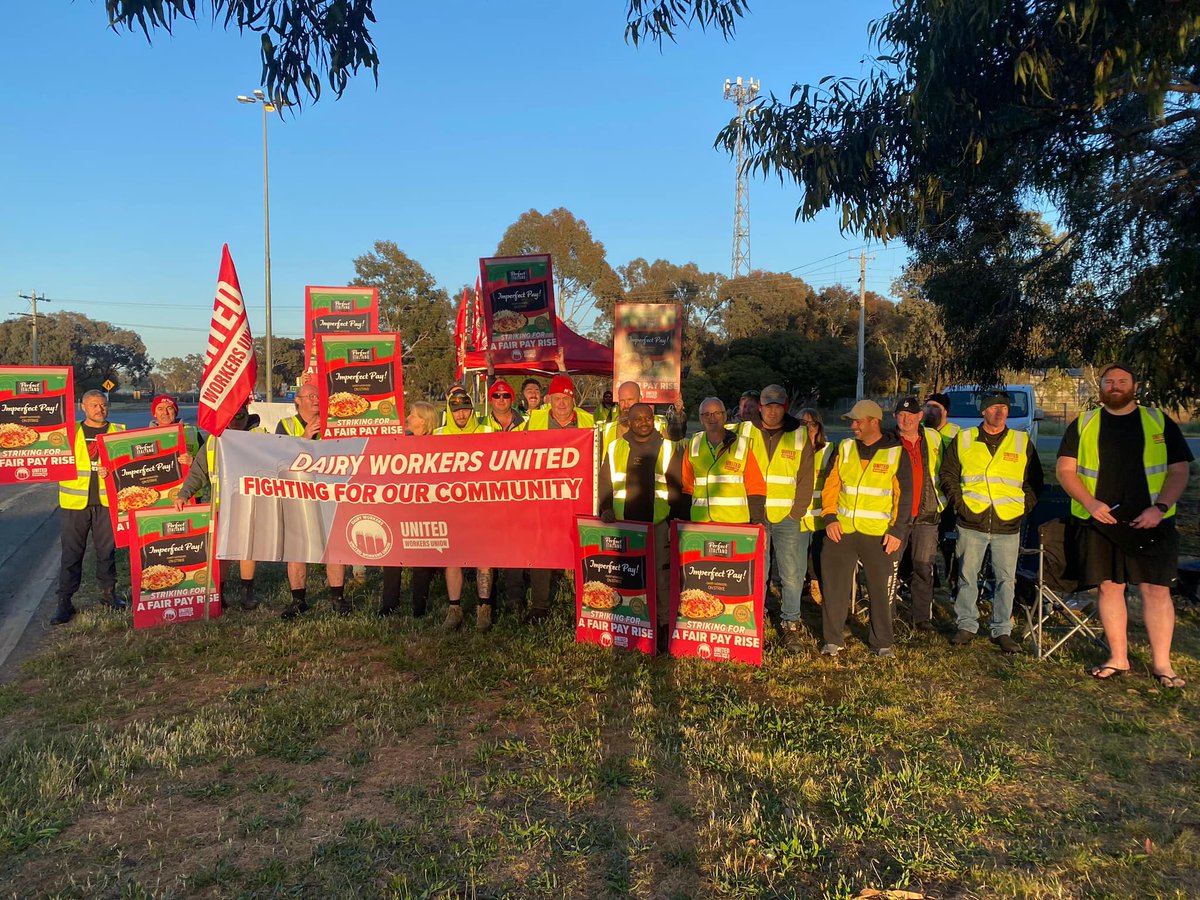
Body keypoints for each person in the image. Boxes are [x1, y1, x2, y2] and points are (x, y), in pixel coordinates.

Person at [1056, 364, 1192, 687]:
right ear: (1100, 387)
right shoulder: (1084, 423)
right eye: (1109, 381)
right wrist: (1090, 504)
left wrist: (1159, 509)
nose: (1115, 386)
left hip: (1151, 521)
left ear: (1135, 386)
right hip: (1100, 521)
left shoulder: (1158, 421)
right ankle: (1118, 657)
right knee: (1109, 587)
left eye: (1122, 381)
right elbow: (1065, 470)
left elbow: (1179, 471)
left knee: (1156, 591)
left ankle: (1163, 665)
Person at [940, 390, 1043, 653]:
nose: (1000, 412)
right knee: (967, 576)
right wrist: (959, 504)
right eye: (994, 407)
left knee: (1006, 580)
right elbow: (948, 474)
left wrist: (1023, 506)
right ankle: (966, 624)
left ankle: (1001, 629)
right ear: (983, 411)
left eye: (1004, 408)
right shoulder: (964, 439)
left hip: (1007, 523)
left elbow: (1035, 481)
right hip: (971, 520)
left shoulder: (1021, 442)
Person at [820, 399, 914, 658]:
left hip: (880, 535)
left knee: (881, 591)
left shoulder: (897, 452)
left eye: (857, 421)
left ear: (874, 422)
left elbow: (904, 496)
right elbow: (831, 486)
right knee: (834, 588)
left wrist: (897, 531)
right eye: (852, 421)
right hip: (842, 531)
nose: (853, 426)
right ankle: (832, 640)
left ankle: (882, 643)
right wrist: (830, 518)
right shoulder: (845, 448)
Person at [598, 402, 688, 651]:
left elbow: (678, 488)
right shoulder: (616, 447)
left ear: (653, 419)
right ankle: (632, 624)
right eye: (638, 419)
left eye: (648, 417)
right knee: (628, 577)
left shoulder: (669, 448)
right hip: (624, 525)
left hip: (659, 524)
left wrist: (674, 521)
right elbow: (605, 481)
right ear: (629, 421)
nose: (644, 422)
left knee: (661, 577)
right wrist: (604, 508)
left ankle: (662, 627)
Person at [173, 396, 264, 610]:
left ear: (247, 414)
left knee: (248, 551)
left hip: (251, 504)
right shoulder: (214, 440)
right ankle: (219, 594)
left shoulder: (261, 436)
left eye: (240, 415)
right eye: (229, 416)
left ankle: (246, 594)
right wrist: (184, 494)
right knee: (222, 552)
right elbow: (198, 472)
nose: (235, 421)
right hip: (221, 506)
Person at [518, 374, 594, 621]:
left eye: (566, 398)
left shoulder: (588, 420)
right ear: (549, 398)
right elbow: (516, 449)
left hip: (577, 494)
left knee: (580, 549)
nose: (561, 404)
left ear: (573, 400)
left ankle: (584, 604)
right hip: (545, 495)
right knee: (543, 546)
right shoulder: (535, 419)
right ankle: (540, 605)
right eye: (557, 398)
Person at [51, 390, 128, 624]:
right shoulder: (68, 431)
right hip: (75, 503)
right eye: (94, 405)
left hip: (106, 503)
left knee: (107, 552)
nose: (100, 409)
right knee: (72, 554)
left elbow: (129, 464)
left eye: (103, 405)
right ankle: (65, 602)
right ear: (83, 407)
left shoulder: (119, 431)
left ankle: (108, 594)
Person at [747, 385, 815, 649]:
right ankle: (755, 619)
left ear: (784, 407)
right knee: (757, 572)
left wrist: (797, 511)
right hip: (755, 515)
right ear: (760, 407)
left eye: (778, 406)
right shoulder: (746, 431)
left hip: (788, 517)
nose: (773, 410)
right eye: (768, 405)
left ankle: (790, 623)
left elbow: (806, 476)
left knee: (791, 574)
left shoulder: (799, 433)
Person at [276, 383, 347, 618]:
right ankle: (298, 600)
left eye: (320, 394)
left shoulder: (334, 423)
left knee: (334, 545)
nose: (317, 399)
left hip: (329, 492)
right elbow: (279, 460)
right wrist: (305, 437)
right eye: (311, 395)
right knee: (297, 549)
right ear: (298, 400)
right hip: (297, 494)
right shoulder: (285, 425)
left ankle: (337, 597)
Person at [436, 387, 498, 630]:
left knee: (484, 558)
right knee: (452, 559)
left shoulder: (487, 431)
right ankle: (454, 609)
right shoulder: (438, 434)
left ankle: (484, 609)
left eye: (465, 409)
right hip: (450, 507)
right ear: (450, 412)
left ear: (471, 410)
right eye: (456, 410)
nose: (461, 415)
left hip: (481, 507)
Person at [380, 401, 441, 619]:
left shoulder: (439, 445)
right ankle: (389, 603)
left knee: (422, 558)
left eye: (413, 415)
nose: (408, 418)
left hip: (425, 510)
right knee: (392, 556)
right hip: (400, 506)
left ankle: (419, 606)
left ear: (424, 421)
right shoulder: (400, 441)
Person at [892, 396, 946, 632]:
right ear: (895, 417)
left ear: (920, 417)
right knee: (890, 569)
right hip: (895, 517)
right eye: (901, 415)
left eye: (911, 416)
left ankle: (921, 618)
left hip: (927, 515)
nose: (906, 420)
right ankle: (888, 614)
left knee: (923, 568)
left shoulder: (933, 438)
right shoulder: (888, 440)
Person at [682, 397, 767, 525]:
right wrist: (682, 518)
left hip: (735, 522)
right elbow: (686, 487)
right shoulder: (694, 443)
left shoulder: (741, 444)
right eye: (706, 414)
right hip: (701, 522)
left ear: (725, 416)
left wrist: (757, 522)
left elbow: (755, 487)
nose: (712, 418)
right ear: (700, 418)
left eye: (717, 413)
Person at [925, 391, 963, 590]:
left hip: (948, 498)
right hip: (926, 496)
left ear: (945, 412)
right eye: (927, 407)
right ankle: (931, 578)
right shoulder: (920, 430)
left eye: (935, 407)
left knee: (948, 541)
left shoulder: (957, 434)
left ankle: (951, 576)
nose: (930, 411)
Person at [797, 408, 835, 605]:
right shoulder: (791, 451)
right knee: (797, 562)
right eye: (803, 424)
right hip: (799, 516)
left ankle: (815, 584)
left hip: (821, 516)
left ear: (818, 426)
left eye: (812, 424)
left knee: (819, 557)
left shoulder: (829, 450)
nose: (808, 428)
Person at [600, 381, 685, 461]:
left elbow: (676, 441)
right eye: (622, 401)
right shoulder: (607, 429)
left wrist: (677, 414)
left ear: (640, 399)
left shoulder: (657, 425)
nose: (626, 405)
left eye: (630, 400)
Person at [149, 394, 200, 467]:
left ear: (175, 412)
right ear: (154, 413)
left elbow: (206, 462)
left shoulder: (192, 432)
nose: (165, 412)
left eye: (169, 408)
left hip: (188, 477)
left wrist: (193, 462)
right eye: (160, 409)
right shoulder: (146, 436)